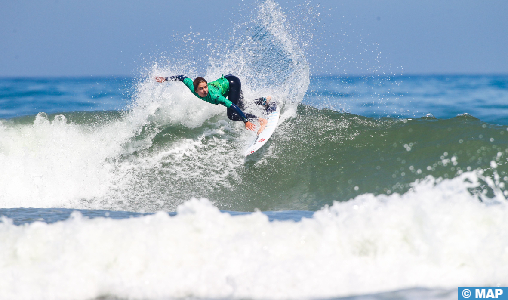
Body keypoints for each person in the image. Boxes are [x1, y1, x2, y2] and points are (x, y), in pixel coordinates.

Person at [155, 74, 271, 134]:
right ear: (195, 90)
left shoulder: (215, 96)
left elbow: (232, 106)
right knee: (242, 105)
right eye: (201, 88)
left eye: (205, 87)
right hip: (227, 80)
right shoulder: (192, 87)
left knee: (232, 115)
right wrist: (165, 79)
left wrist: (246, 121)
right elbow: (182, 77)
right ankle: (263, 101)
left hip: (232, 83)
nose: (205, 90)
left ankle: (261, 120)